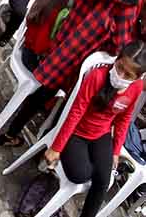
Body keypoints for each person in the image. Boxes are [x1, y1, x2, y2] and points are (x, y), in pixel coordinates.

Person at [0, 0, 146, 148]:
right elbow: (121, 43)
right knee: (81, 100)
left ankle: (12, 132)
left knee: (46, 88)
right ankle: (48, 145)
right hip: (86, 56)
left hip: (66, 37)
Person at [39, 41, 146, 217]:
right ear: (117, 59)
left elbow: (124, 119)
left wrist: (116, 150)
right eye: (119, 67)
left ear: (137, 78)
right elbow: (75, 113)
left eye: (127, 75)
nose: (120, 75)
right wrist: (56, 147)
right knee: (81, 174)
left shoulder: (135, 89)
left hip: (101, 134)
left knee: (104, 180)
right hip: (77, 132)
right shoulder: (97, 76)